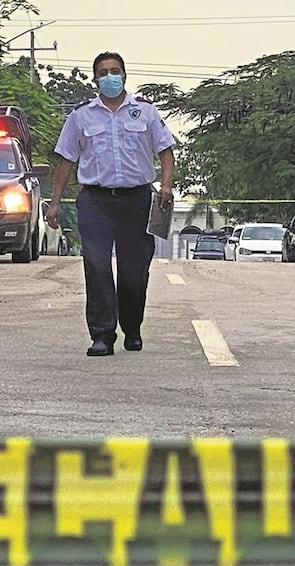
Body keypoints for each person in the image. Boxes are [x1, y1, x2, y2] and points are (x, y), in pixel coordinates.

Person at [45, 51, 176, 357]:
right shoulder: (81, 116)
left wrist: (166, 186)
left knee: (133, 271)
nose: (109, 77)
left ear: (125, 75)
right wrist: (53, 203)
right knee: (97, 265)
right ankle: (103, 334)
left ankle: (132, 327)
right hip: (96, 201)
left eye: (114, 71)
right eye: (103, 72)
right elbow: (66, 159)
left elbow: (166, 151)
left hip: (137, 200)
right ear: (95, 79)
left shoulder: (145, 112)